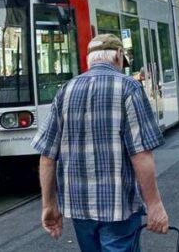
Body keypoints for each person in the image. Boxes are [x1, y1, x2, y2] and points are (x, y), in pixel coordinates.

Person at [32, 34, 169, 252]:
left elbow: (47, 156)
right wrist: (154, 205)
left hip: (79, 208)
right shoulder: (129, 88)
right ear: (119, 55)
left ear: (90, 59)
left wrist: (49, 206)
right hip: (119, 207)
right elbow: (140, 154)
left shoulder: (65, 90)